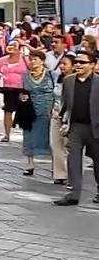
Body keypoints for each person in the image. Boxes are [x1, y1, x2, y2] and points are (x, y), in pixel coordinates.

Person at [53, 50, 99, 206]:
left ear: (92, 65)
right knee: (73, 160)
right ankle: (73, 194)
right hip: (76, 128)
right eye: (77, 62)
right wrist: (62, 120)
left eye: (82, 62)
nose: (78, 64)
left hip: (95, 128)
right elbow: (65, 104)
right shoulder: (69, 81)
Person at [20, 51, 55, 176]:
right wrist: (22, 98)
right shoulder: (25, 76)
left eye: (35, 59)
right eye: (31, 59)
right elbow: (22, 91)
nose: (32, 62)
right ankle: (30, 164)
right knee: (28, 136)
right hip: (30, 109)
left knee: (51, 138)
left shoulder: (51, 74)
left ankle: (55, 166)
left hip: (47, 109)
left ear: (42, 60)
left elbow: (56, 91)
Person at [0, 41, 28, 142]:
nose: (11, 48)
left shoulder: (25, 59)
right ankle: (7, 134)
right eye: (10, 46)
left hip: (22, 89)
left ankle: (26, 134)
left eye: (14, 46)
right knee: (8, 111)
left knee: (24, 112)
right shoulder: (1, 60)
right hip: (7, 89)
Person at [50, 53, 74, 185]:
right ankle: (59, 173)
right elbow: (53, 95)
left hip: (70, 116)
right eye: (61, 64)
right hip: (56, 114)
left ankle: (72, 173)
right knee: (55, 144)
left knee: (69, 145)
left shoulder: (75, 81)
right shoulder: (58, 79)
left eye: (65, 64)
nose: (62, 67)